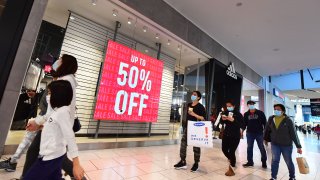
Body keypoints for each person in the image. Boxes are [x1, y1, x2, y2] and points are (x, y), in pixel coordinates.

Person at [22, 54, 83, 179]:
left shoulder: (65, 81)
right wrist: (38, 122)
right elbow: (54, 109)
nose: (57, 61)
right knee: (54, 158)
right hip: (54, 124)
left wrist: (39, 122)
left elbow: (56, 109)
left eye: (60, 60)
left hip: (56, 127)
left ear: (65, 64)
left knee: (39, 153)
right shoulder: (64, 79)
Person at [0, 90, 47, 172]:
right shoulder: (58, 82)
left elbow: (54, 107)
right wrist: (36, 95)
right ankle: (13, 162)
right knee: (29, 141)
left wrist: (39, 122)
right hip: (43, 118)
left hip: (47, 120)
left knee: (50, 151)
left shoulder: (64, 83)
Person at [264, 104, 302, 180]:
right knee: (275, 161)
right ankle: (273, 177)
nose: (276, 111)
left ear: (283, 111)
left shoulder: (288, 120)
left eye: (278, 109)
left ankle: (292, 177)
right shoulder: (271, 119)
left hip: (286, 145)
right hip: (275, 144)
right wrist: (265, 139)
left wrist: (298, 146)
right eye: (275, 109)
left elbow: (294, 134)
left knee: (288, 161)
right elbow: (267, 129)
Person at [174, 91, 206, 172]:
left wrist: (194, 114)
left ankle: (196, 163)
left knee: (196, 146)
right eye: (192, 94)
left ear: (198, 97)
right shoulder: (188, 105)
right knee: (183, 144)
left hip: (196, 129)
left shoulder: (201, 107)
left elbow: (203, 118)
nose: (192, 95)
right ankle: (183, 161)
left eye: (195, 95)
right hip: (187, 127)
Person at [221, 100, 244, 176]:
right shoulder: (225, 113)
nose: (228, 107)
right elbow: (222, 122)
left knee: (232, 151)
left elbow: (241, 125)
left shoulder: (239, 115)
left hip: (235, 136)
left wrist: (233, 120)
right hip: (226, 134)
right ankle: (231, 159)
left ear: (234, 106)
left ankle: (232, 167)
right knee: (224, 149)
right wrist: (223, 119)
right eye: (227, 106)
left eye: (230, 106)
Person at [242, 100, 267, 168]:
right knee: (249, 147)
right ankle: (250, 162)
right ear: (248, 105)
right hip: (250, 133)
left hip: (259, 133)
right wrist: (241, 131)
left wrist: (265, 132)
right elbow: (244, 124)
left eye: (252, 104)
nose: (251, 105)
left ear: (254, 105)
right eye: (250, 104)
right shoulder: (246, 114)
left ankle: (264, 161)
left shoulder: (260, 113)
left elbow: (265, 123)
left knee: (261, 147)